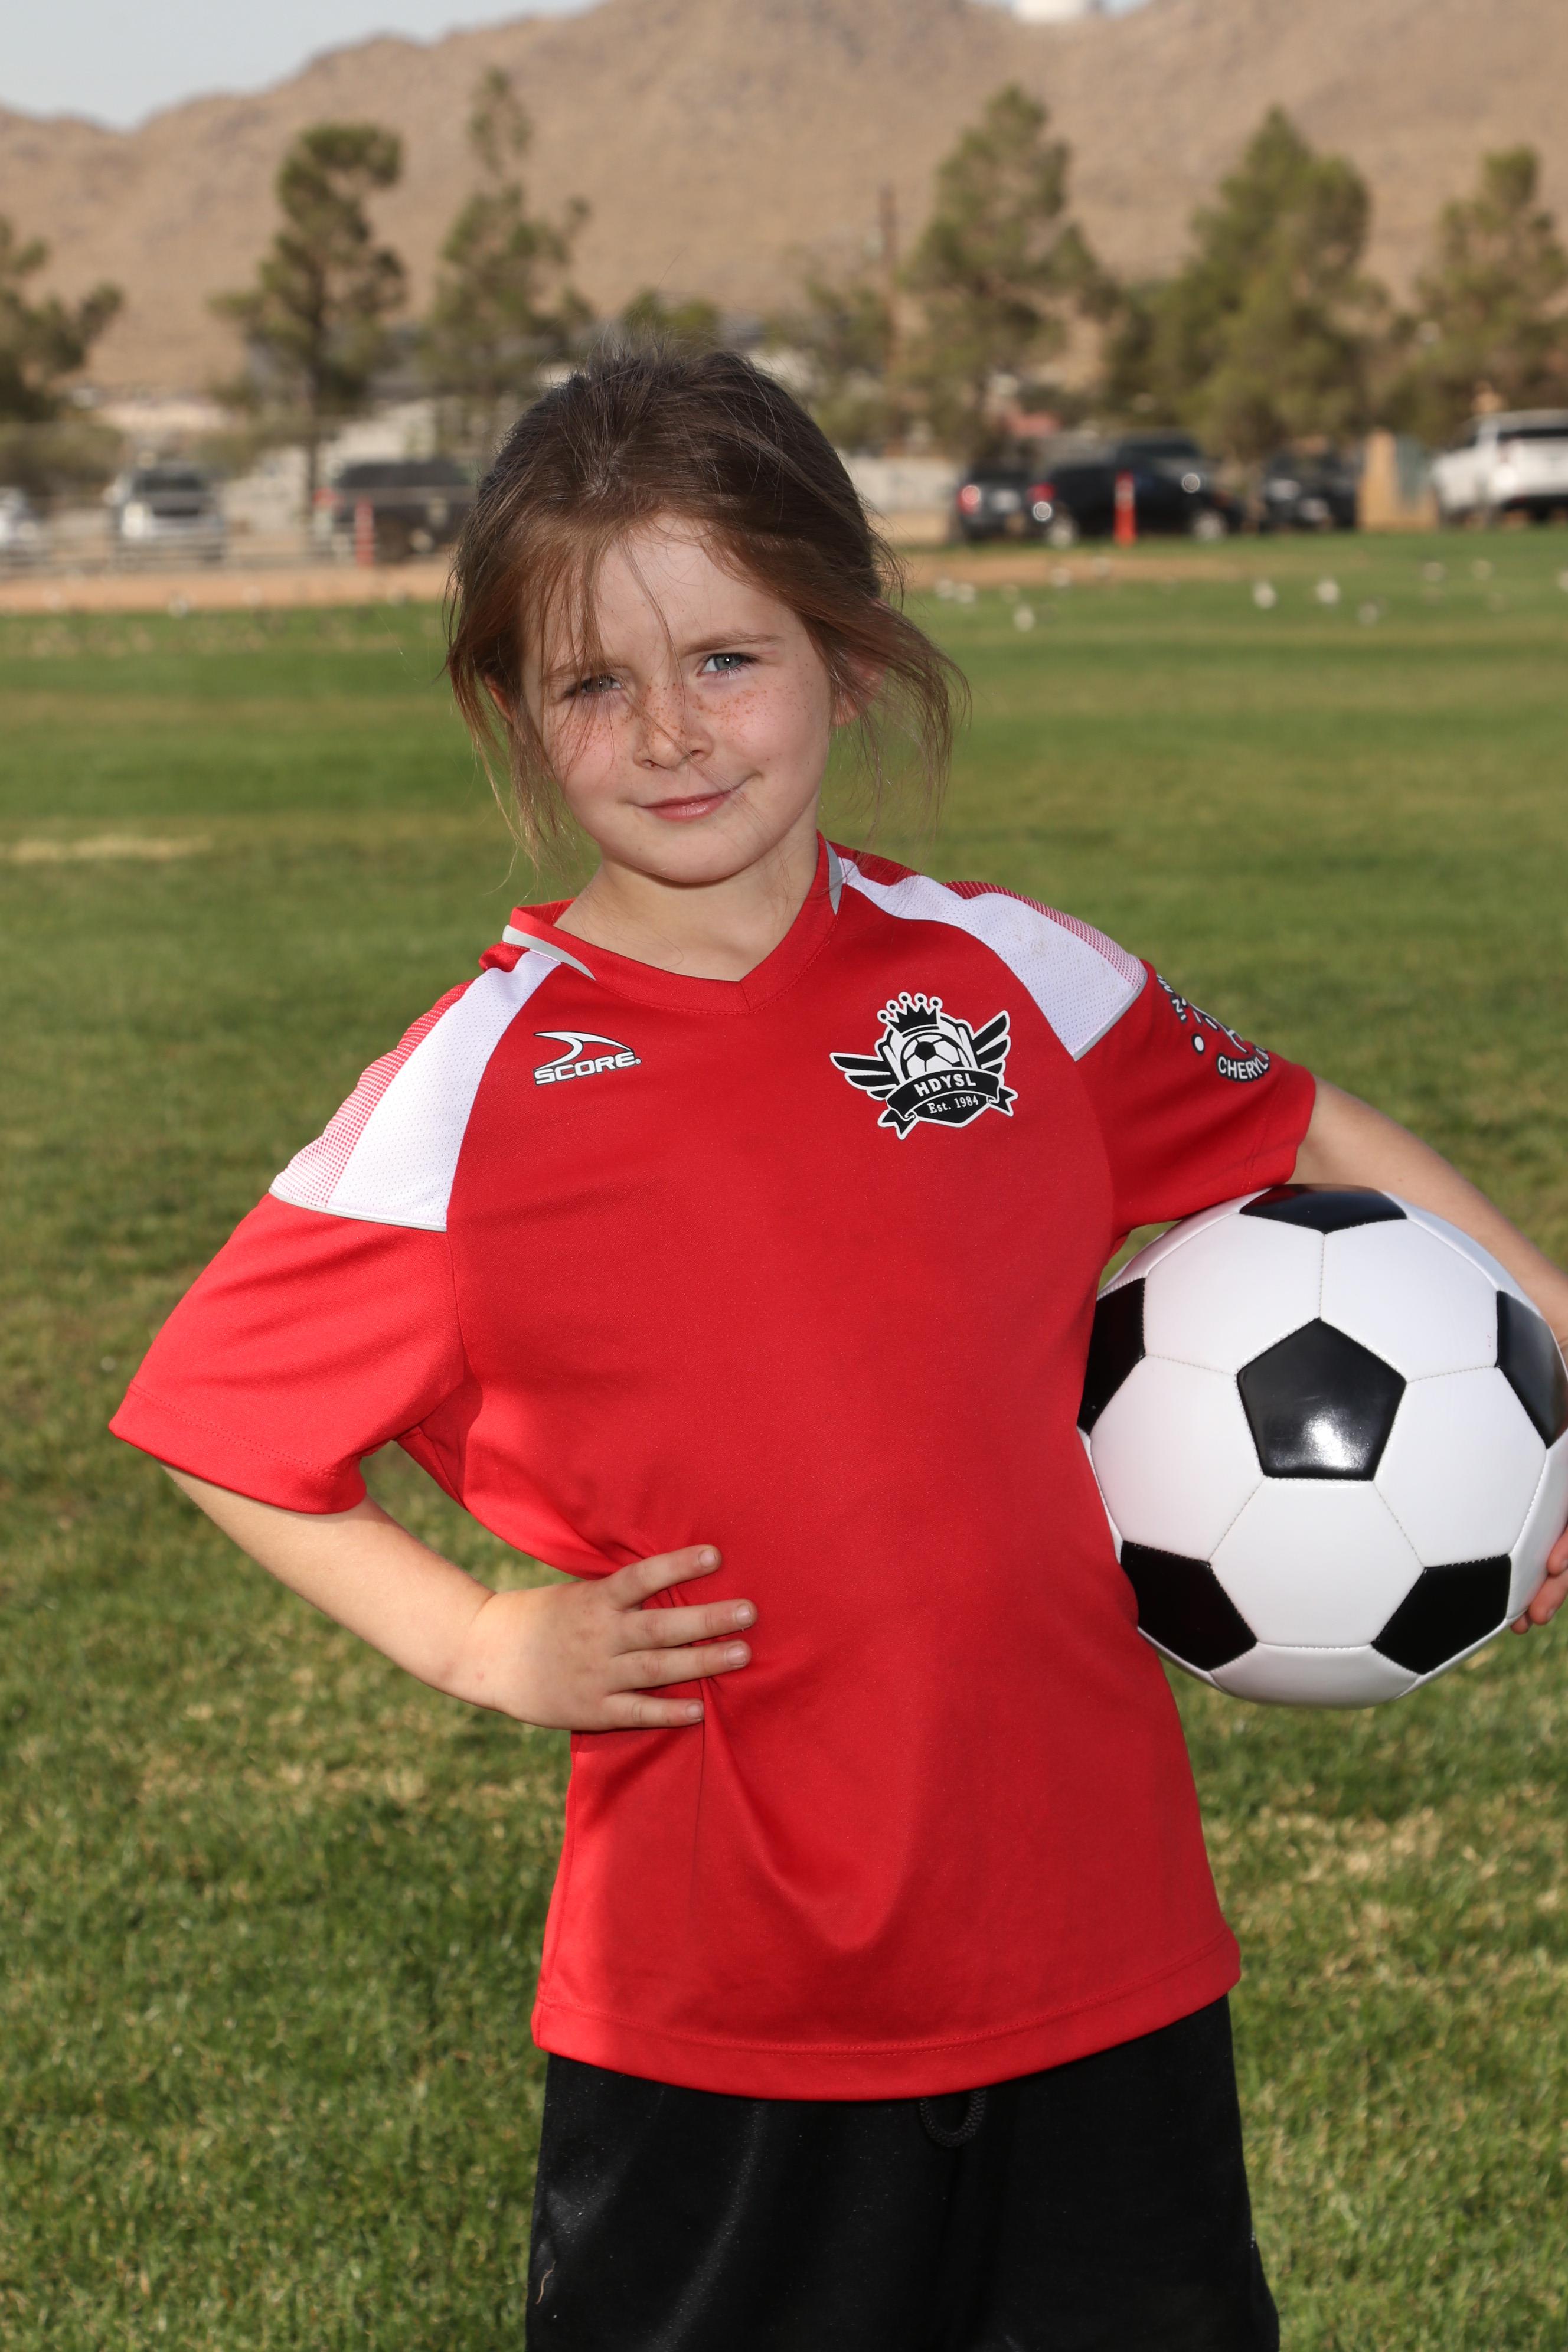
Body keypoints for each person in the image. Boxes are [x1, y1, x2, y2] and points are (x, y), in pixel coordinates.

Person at [110, 349, 1568, 2351]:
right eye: (593, 684)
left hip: (1102, 1957)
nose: (669, 733)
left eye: (728, 659)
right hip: (722, 2010)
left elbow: (1302, 1127)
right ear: (516, 716)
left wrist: (1551, 1375)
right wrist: (479, 1642)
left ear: (849, 654)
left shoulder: (1008, 979)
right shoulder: (472, 1094)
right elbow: (216, 1417)